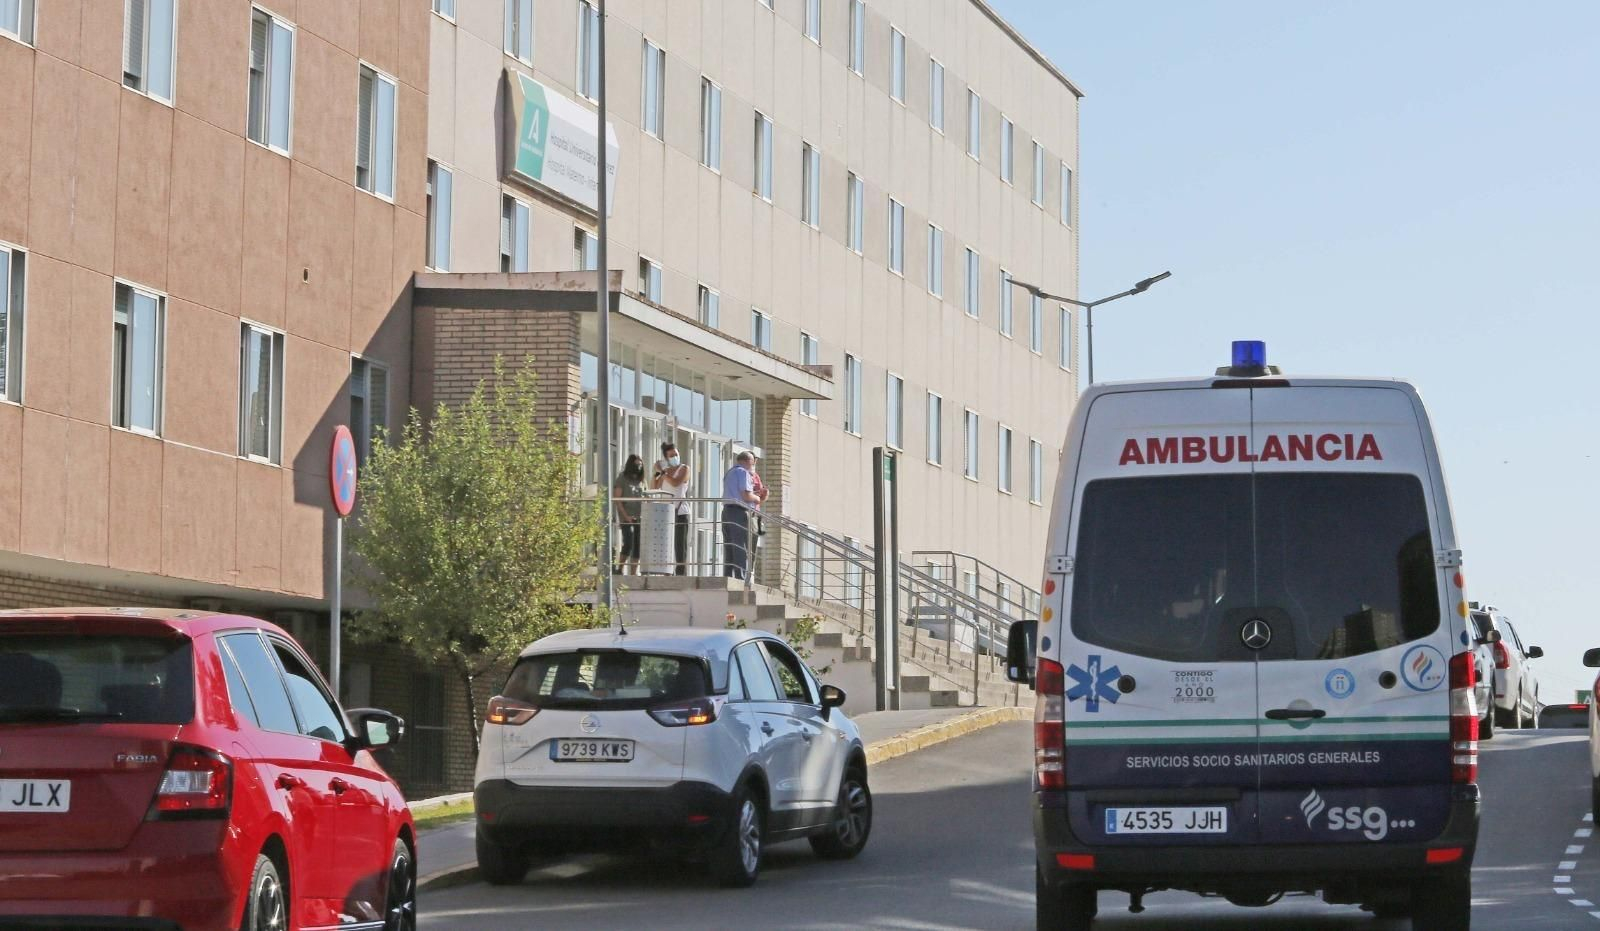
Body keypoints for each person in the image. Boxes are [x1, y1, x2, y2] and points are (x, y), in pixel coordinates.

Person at [721, 451, 761, 579]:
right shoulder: (743, 472)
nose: (753, 464)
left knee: (730, 545)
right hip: (738, 511)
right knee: (740, 545)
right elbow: (746, 495)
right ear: (747, 461)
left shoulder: (730, 472)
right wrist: (757, 498)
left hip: (727, 511)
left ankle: (728, 575)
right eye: (752, 462)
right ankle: (741, 577)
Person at [652, 442, 691, 575]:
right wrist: (657, 472)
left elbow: (676, 482)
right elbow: (654, 487)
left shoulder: (684, 469)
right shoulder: (665, 471)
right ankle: (666, 571)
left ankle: (681, 573)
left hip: (680, 511)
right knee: (666, 543)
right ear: (666, 458)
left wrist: (663, 472)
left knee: (680, 545)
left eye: (676, 454)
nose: (675, 457)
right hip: (666, 512)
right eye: (671, 455)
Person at [612, 454, 646, 575]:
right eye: (637, 464)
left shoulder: (641, 481)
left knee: (637, 545)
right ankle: (620, 568)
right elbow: (617, 499)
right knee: (629, 542)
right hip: (627, 517)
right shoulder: (622, 478)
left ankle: (633, 572)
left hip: (640, 518)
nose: (639, 466)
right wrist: (625, 517)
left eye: (641, 464)